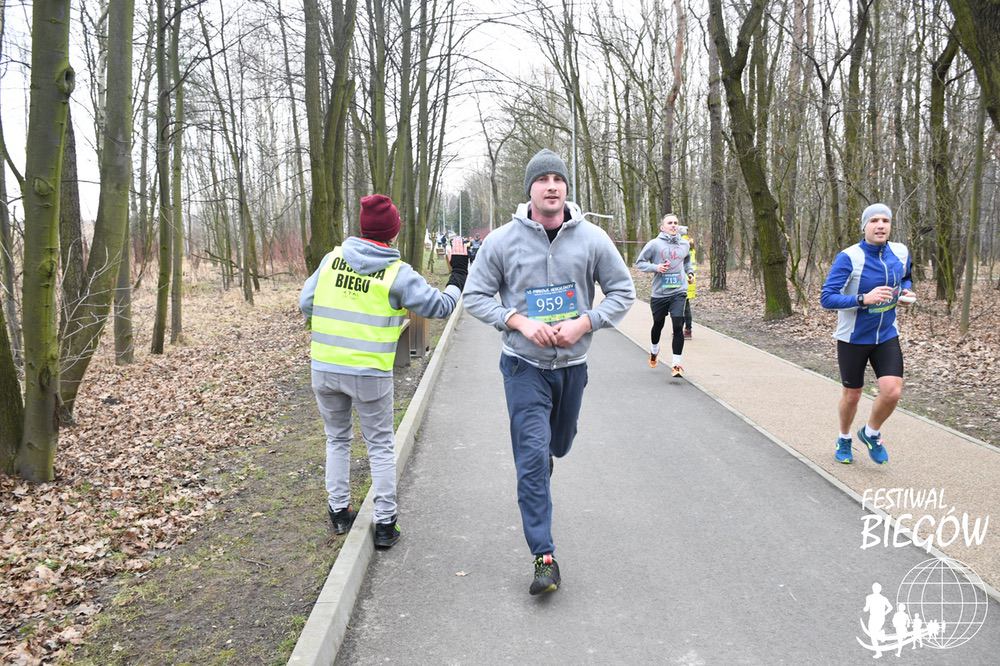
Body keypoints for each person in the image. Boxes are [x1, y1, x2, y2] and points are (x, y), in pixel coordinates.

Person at [463, 148, 635, 595]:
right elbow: (475, 295)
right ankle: (544, 557)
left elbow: (623, 291)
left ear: (566, 188)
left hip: (572, 367)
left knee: (558, 444)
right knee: (531, 460)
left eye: (558, 179)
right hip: (524, 367)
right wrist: (517, 321)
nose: (552, 186)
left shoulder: (593, 239)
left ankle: (549, 455)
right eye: (543, 180)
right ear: (530, 190)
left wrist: (586, 322)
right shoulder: (503, 241)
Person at [299, 194, 468, 548]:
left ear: (362, 228)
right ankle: (386, 525)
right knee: (379, 445)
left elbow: (306, 302)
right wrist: (458, 274)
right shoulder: (396, 273)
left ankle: (339, 512)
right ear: (393, 232)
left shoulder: (331, 260)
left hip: (325, 367)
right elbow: (440, 307)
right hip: (369, 372)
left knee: (337, 439)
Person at [820, 203, 914, 465]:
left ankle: (871, 433)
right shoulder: (849, 257)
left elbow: (906, 277)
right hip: (853, 337)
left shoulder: (901, 252)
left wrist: (905, 291)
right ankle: (844, 437)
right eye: (874, 221)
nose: (880, 225)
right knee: (853, 395)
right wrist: (864, 299)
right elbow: (827, 298)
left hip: (886, 334)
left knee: (892, 391)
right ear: (864, 226)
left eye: (885, 220)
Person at [635, 214, 694, 377]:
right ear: (662, 227)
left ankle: (676, 365)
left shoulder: (684, 244)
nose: (673, 225)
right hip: (659, 293)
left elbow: (686, 260)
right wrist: (656, 267)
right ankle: (654, 350)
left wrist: (689, 272)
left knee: (678, 325)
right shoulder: (654, 244)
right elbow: (640, 263)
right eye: (670, 223)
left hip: (679, 291)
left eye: (676, 222)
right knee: (658, 325)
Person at [681, 227, 697, 339]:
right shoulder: (689, 243)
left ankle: (687, 330)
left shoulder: (682, 244)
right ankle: (685, 329)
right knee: (684, 306)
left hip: (685, 279)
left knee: (683, 307)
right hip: (691, 279)